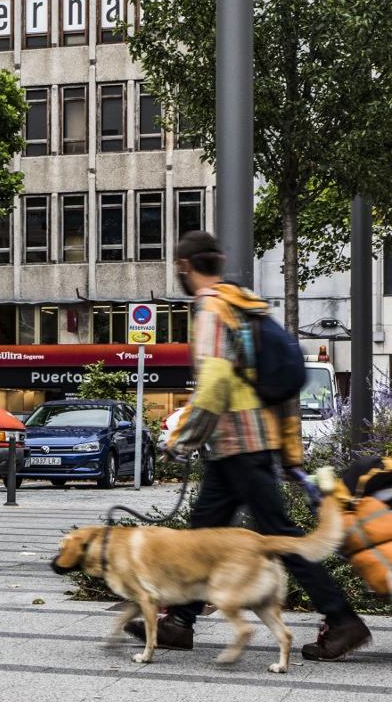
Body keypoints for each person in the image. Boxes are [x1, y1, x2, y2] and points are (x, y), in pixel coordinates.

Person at [125, 230, 372, 661]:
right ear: (218, 261)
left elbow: (216, 382)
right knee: (202, 534)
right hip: (240, 443)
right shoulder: (240, 301)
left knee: (279, 535)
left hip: (239, 441)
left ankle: (343, 620)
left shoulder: (212, 308)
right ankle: (180, 622)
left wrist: (182, 441)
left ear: (184, 266)